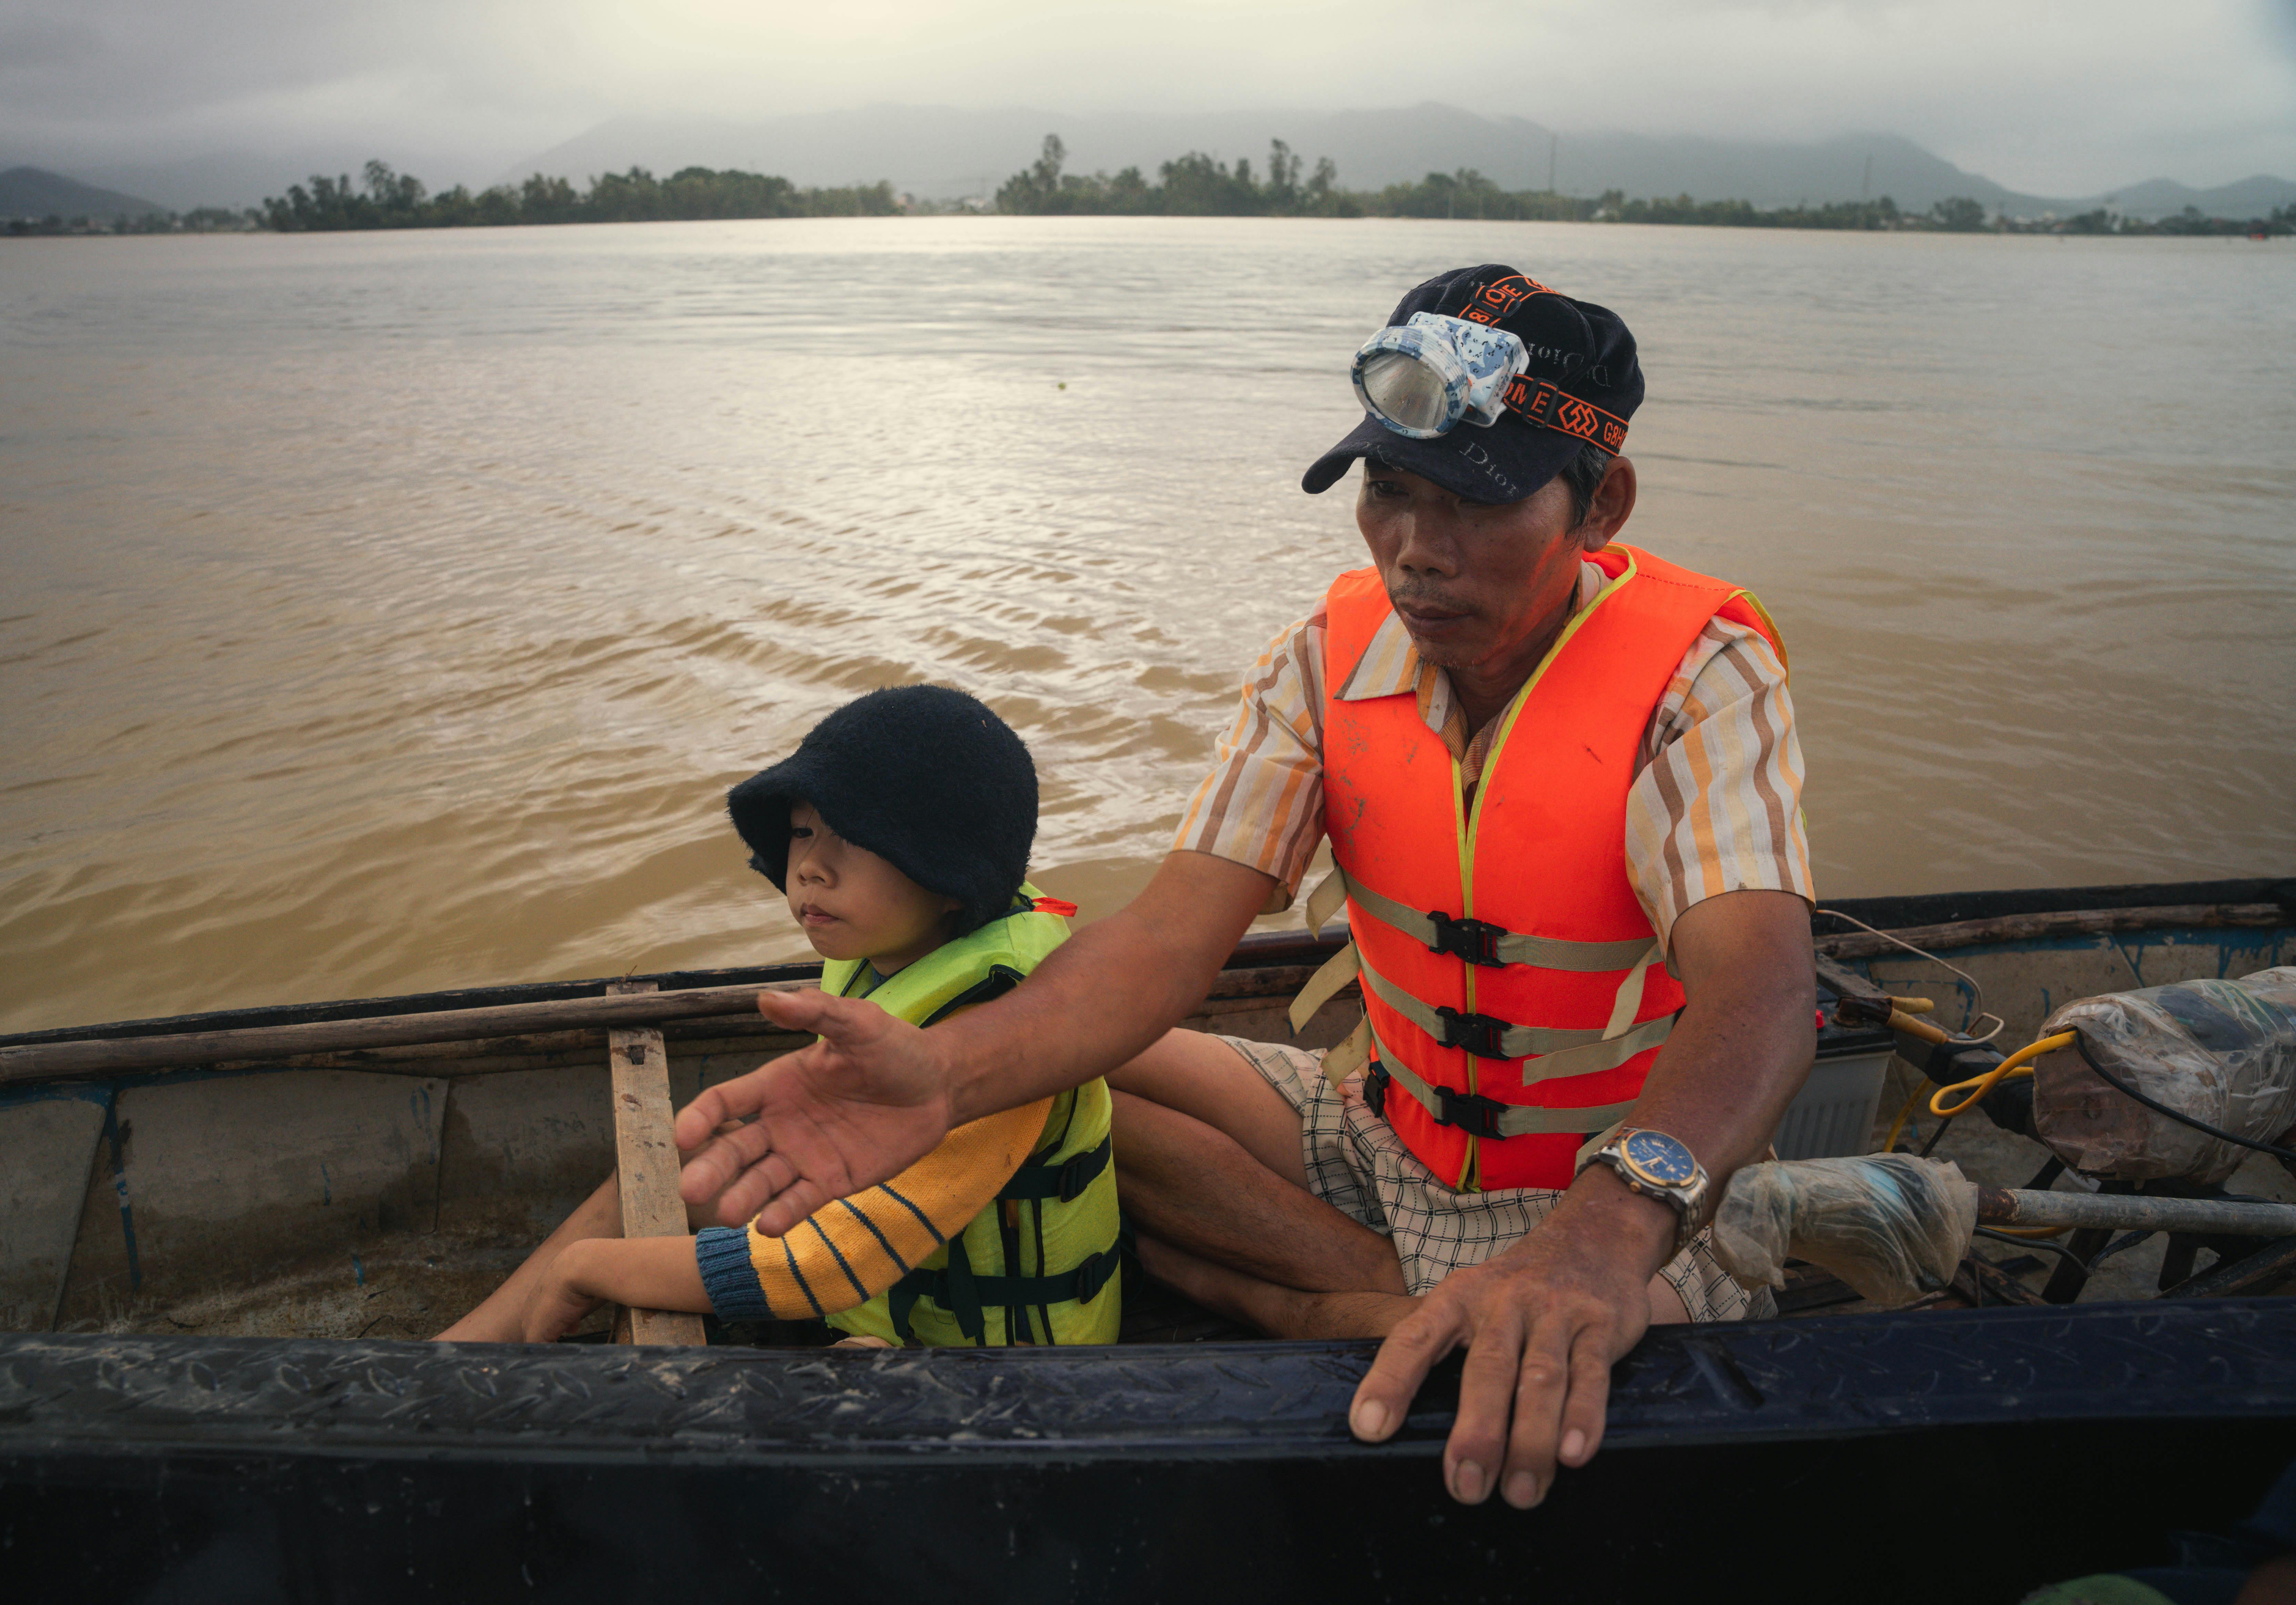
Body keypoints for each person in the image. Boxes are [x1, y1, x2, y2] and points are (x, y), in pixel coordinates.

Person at [671, 265, 1820, 1507]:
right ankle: (1382, 1295)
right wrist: (944, 1075)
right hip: (1383, 1127)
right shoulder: (1324, 658)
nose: (1416, 553)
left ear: (1602, 505)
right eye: (1389, 491)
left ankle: (1359, 1301)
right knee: (1047, 1064)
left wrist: (1599, 1240)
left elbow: (1759, 997)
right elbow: (1165, 940)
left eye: (1478, 502)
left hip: (1604, 1183)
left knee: (1556, 1344)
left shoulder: (1700, 675)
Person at [437, 684, 1121, 1348]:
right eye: (802, 831)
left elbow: (830, 1263)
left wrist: (590, 1268)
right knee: (685, 1159)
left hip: (1003, 1364)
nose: (811, 867)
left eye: (855, 837)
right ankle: (465, 1347)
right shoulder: (896, 950)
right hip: (888, 1286)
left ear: (952, 881)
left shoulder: (999, 1030)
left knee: (853, 1369)